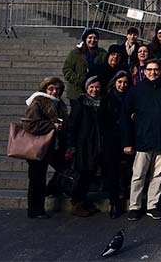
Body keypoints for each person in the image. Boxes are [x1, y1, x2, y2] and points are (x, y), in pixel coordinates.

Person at [121, 59, 161, 221]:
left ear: (160, 71)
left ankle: (153, 205)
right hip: (142, 139)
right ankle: (135, 206)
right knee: (138, 174)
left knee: (158, 175)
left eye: (156, 69)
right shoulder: (135, 91)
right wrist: (127, 142)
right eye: (150, 69)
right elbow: (125, 117)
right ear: (144, 71)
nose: (153, 72)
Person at [22, 77, 69, 219]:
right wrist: (52, 126)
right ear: (45, 89)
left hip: (54, 146)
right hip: (38, 146)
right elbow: (29, 124)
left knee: (60, 170)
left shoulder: (59, 104)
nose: (55, 91)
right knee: (37, 179)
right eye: (51, 89)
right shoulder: (38, 102)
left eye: (57, 89)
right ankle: (35, 210)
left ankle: (48, 196)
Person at [66, 76, 103, 217]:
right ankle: (76, 202)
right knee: (81, 174)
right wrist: (71, 147)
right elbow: (72, 126)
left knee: (89, 174)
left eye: (97, 87)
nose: (94, 90)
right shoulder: (80, 104)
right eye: (91, 87)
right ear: (86, 88)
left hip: (96, 144)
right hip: (83, 145)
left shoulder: (101, 103)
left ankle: (83, 200)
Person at [99, 70, 132, 219]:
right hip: (111, 140)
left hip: (128, 138)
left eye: (125, 82)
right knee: (112, 171)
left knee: (125, 170)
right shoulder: (107, 98)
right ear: (114, 82)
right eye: (120, 82)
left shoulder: (131, 97)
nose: (122, 85)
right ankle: (114, 202)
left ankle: (124, 194)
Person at [63, 29, 107, 100]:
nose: (92, 40)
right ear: (85, 39)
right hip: (77, 91)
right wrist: (81, 80)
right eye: (90, 38)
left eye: (95, 38)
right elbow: (67, 70)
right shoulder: (75, 53)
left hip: (95, 92)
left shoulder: (102, 53)